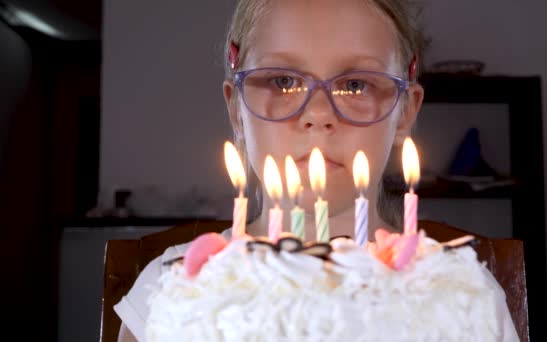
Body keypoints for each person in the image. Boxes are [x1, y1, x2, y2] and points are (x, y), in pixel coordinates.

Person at [115, 0, 518, 340]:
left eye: (356, 85)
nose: (319, 114)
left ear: (405, 113)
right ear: (237, 110)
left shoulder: (459, 294)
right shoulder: (174, 287)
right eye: (284, 80)